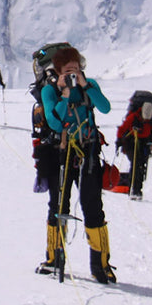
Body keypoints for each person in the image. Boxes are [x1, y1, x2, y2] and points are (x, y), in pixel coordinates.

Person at [36, 46, 115, 283]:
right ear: (58, 71)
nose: (74, 72)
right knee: (59, 206)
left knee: (93, 207)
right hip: (59, 154)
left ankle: (100, 265)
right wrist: (65, 95)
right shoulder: (50, 91)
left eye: (76, 68)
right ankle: (54, 259)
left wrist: (85, 86)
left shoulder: (89, 86)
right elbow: (55, 122)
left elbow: (105, 107)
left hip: (87, 153)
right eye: (68, 69)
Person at [115, 92, 152, 199]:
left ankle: (136, 189)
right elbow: (122, 129)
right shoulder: (133, 117)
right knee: (136, 164)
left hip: (144, 143)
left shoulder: (151, 119)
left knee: (140, 165)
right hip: (131, 142)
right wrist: (119, 141)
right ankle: (134, 189)